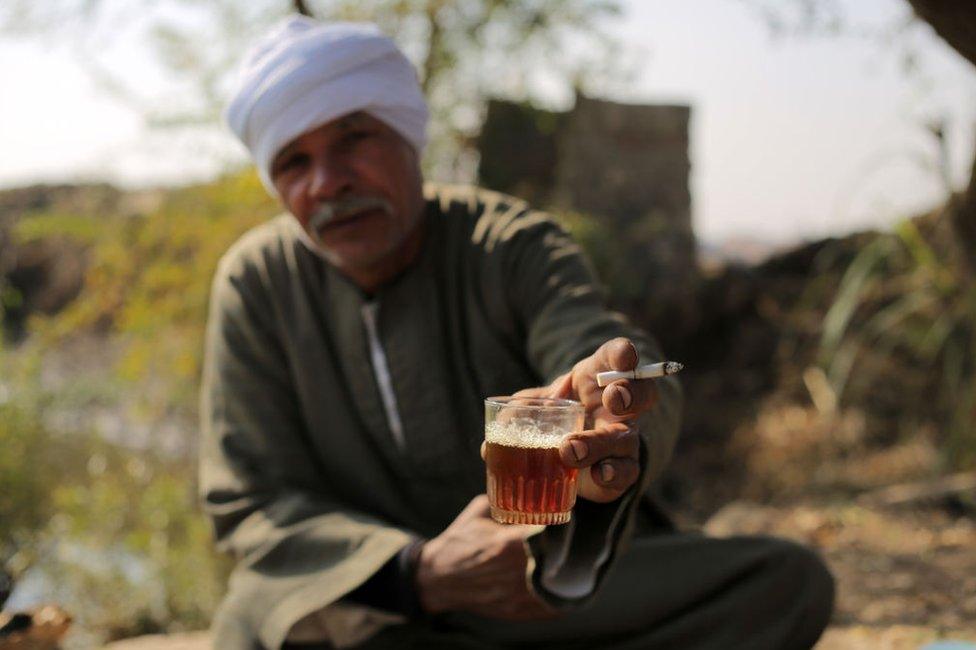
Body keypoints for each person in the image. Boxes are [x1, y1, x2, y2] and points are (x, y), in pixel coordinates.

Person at [201, 15, 834, 650]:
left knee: (782, 582)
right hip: (377, 595)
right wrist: (416, 572)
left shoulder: (507, 244)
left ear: (408, 136)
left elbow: (599, 351)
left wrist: (605, 428)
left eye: (354, 140)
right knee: (259, 622)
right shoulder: (258, 284)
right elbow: (250, 500)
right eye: (293, 162)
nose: (327, 182)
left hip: (535, 575)